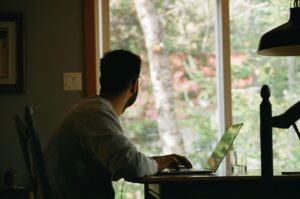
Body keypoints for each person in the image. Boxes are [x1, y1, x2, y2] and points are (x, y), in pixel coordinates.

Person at [44, 49, 192, 199]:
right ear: (135, 85)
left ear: (101, 81)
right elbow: (132, 167)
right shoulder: (97, 114)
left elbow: (122, 161)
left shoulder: (91, 108)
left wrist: (157, 161)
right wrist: (162, 162)